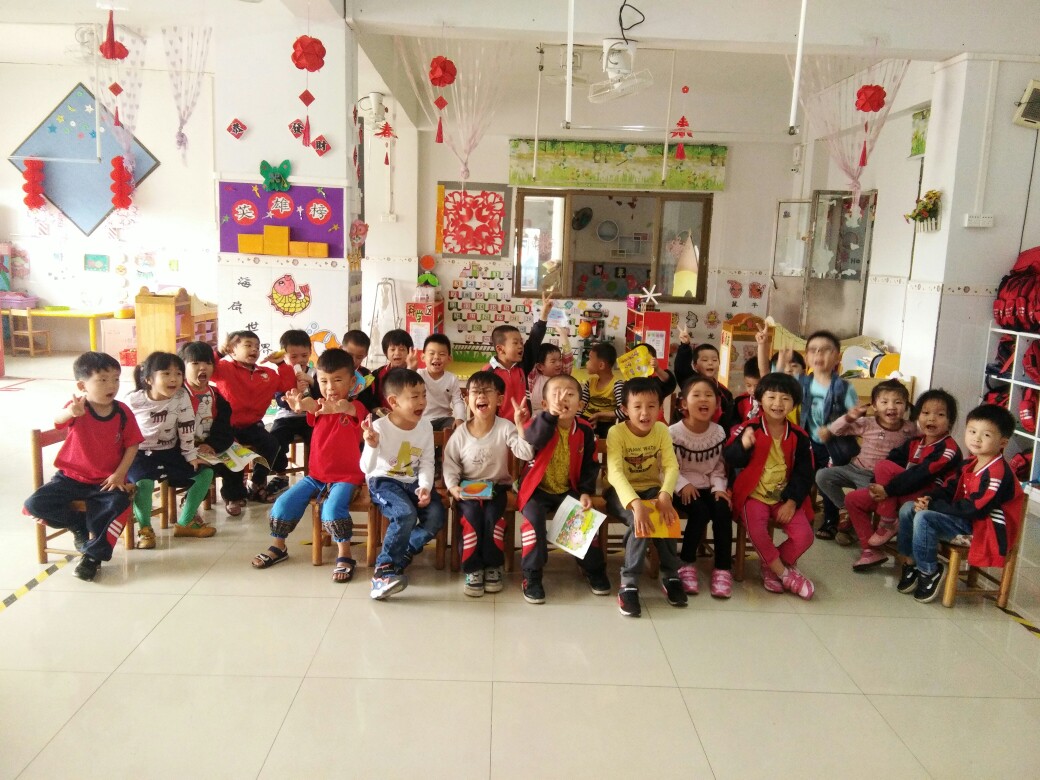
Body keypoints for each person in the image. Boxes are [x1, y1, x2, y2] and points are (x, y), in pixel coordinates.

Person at [23, 351, 143, 581]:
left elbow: (132, 445)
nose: (112, 385)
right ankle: (78, 525)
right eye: (103, 380)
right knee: (34, 505)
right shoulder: (78, 407)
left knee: (119, 505)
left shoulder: (122, 412)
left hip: (106, 481)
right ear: (82, 385)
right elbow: (58, 421)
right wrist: (71, 411)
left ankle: (92, 557)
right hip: (70, 478)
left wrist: (119, 474)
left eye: (116, 379)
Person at [251, 348, 366, 583]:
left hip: (346, 478)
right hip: (316, 477)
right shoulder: (319, 406)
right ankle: (279, 546)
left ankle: (345, 554)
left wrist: (341, 407)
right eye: (324, 381)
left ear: (352, 382)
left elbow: (350, 410)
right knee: (283, 503)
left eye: (337, 380)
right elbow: (309, 405)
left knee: (332, 510)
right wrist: (297, 404)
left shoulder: (357, 408)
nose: (330, 387)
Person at [895, 404, 1023, 603]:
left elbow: (976, 509)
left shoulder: (997, 472)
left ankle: (929, 571)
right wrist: (929, 498)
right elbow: (949, 489)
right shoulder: (969, 463)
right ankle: (911, 563)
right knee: (908, 508)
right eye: (972, 431)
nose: (976, 439)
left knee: (924, 518)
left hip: (982, 529)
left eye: (986, 435)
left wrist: (932, 507)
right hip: (965, 520)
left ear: (1003, 442)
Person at [516, 373, 608, 603]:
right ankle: (532, 574)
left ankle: (593, 569)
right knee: (533, 523)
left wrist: (585, 491)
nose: (562, 399)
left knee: (583, 520)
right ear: (544, 403)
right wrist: (550, 416)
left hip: (569, 488)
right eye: (556, 394)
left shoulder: (585, 430)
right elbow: (534, 439)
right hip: (536, 490)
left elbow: (590, 465)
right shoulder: (540, 422)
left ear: (580, 404)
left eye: (570, 394)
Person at [724, 372, 816, 600]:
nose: (777, 403)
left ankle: (771, 567)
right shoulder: (749, 428)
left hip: (784, 497)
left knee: (805, 536)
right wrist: (744, 445)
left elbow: (805, 473)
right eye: (771, 397)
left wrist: (792, 501)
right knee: (757, 531)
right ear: (760, 399)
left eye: (785, 398)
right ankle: (784, 574)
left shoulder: (799, 435)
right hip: (752, 496)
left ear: (794, 403)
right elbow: (731, 458)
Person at [443, 371, 534, 597]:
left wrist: (520, 426)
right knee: (472, 518)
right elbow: (450, 463)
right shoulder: (460, 433)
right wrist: (453, 487)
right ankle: (473, 569)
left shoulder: (505, 427)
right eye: (475, 392)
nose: (481, 396)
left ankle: (493, 566)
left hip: (497, 488)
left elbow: (525, 453)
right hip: (468, 489)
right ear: (467, 399)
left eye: (487, 392)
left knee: (494, 519)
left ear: (500, 399)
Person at [360, 368, 446, 600]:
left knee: (436, 516)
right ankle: (383, 572)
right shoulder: (379, 428)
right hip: (383, 481)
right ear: (394, 402)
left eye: (424, 395)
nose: (422, 402)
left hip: (413, 481)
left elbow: (427, 462)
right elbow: (366, 468)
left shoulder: (425, 426)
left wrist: (425, 486)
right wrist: (371, 445)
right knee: (405, 514)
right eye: (414, 397)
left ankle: (403, 551)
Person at [607, 377, 684, 617]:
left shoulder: (661, 430)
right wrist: (636, 504)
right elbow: (615, 473)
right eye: (637, 406)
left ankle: (671, 575)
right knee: (639, 522)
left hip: (651, 488)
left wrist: (665, 494)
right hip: (621, 492)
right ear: (625, 409)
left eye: (651, 406)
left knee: (667, 517)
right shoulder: (616, 432)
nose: (645, 413)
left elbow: (671, 466)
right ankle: (628, 583)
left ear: (660, 407)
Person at [846, 389, 961, 551]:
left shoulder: (948, 448)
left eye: (940, 415)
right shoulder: (915, 441)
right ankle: (870, 551)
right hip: (900, 492)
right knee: (853, 499)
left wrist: (887, 490)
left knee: (883, 466)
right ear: (918, 416)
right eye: (925, 413)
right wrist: (878, 486)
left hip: (927, 498)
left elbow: (921, 475)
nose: (931, 418)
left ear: (950, 421)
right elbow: (894, 459)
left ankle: (887, 522)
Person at [815, 379, 917, 560]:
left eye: (898, 402)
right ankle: (844, 509)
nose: (891, 407)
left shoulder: (909, 429)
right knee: (823, 476)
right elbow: (836, 430)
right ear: (875, 406)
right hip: (855, 468)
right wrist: (850, 417)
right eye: (884, 402)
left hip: (876, 479)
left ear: (906, 406)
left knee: (864, 503)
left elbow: (924, 441)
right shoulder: (868, 422)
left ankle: (860, 533)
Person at [125, 351, 215, 548]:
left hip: (170, 451)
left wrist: (190, 455)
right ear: (149, 379)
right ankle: (145, 530)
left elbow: (186, 426)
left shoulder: (181, 396)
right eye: (166, 373)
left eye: (178, 374)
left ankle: (185, 523)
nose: (174, 379)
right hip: (139, 454)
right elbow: (120, 431)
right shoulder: (133, 400)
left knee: (205, 473)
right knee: (144, 483)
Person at [780, 330, 859, 540]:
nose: (819, 355)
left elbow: (855, 420)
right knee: (801, 475)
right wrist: (778, 360)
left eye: (825, 350)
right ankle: (803, 513)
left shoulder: (844, 387)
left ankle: (832, 520)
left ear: (837, 357)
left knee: (825, 481)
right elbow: (774, 384)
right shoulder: (802, 383)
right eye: (813, 350)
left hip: (834, 446)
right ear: (806, 357)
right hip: (808, 442)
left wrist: (833, 428)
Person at [210, 330, 296, 508]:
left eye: (257, 346)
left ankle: (256, 481)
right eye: (248, 345)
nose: (254, 349)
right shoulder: (224, 368)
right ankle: (233, 496)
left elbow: (287, 385)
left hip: (252, 425)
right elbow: (207, 368)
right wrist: (220, 352)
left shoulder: (267, 373)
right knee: (234, 454)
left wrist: (281, 364)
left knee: (272, 444)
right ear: (232, 350)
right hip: (227, 425)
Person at [670, 375, 734, 598]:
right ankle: (686, 563)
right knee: (700, 511)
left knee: (722, 510)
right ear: (683, 403)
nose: (703, 399)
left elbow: (718, 467)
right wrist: (682, 485)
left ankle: (723, 568)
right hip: (680, 486)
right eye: (696, 395)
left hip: (708, 485)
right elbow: (667, 467)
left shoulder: (719, 432)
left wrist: (719, 488)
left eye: (709, 395)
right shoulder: (673, 433)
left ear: (717, 404)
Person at [179, 341, 237, 507]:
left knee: (234, 462)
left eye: (208, 363)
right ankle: (191, 503)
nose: (203, 367)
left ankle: (232, 496)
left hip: (209, 445)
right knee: (202, 470)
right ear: (182, 367)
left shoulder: (216, 395)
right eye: (195, 363)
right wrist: (192, 448)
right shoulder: (177, 395)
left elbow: (223, 426)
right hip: (184, 448)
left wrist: (211, 444)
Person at [484, 288, 552, 417]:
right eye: (515, 343)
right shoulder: (488, 373)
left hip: (523, 423)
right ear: (500, 349)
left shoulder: (522, 366)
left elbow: (534, 340)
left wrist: (543, 316)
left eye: (521, 342)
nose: (521, 346)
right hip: (500, 425)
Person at [268, 329, 316, 494]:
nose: (300, 360)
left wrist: (311, 385)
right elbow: (279, 399)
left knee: (318, 438)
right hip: (286, 418)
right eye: (294, 356)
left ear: (310, 352)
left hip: (309, 417)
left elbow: (321, 396)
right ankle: (281, 474)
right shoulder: (282, 374)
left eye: (304, 355)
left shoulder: (315, 374)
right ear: (285, 355)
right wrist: (293, 398)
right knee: (275, 439)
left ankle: (315, 474)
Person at [674, 332, 735, 430]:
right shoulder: (689, 382)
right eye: (705, 360)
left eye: (714, 360)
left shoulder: (725, 393)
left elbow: (729, 419)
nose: (710, 363)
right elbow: (681, 367)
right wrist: (685, 345)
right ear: (695, 365)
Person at [418, 333, 466, 431]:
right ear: (423, 357)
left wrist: (460, 418)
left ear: (449, 359)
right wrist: (410, 368)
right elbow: (406, 388)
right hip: (421, 419)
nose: (436, 357)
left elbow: (458, 401)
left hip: (444, 419)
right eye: (432, 353)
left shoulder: (452, 379)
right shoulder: (418, 375)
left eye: (442, 354)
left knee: (454, 427)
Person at [580, 341, 624, 438]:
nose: (587, 363)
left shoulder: (617, 385)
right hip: (586, 419)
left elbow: (623, 412)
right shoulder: (590, 382)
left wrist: (599, 415)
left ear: (601, 366)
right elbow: (581, 405)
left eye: (589, 359)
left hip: (605, 424)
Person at [370, 329, 419, 410]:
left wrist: (411, 371)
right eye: (392, 349)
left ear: (409, 352)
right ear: (385, 352)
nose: (397, 353)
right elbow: (373, 400)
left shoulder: (417, 373)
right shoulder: (377, 374)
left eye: (402, 349)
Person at [529, 342, 565, 413]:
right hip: (534, 413)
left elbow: (568, 359)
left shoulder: (563, 377)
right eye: (553, 361)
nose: (558, 364)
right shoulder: (534, 378)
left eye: (560, 360)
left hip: (554, 413)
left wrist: (564, 337)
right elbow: (530, 357)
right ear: (540, 366)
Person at [733, 356, 760, 423]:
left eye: (757, 386)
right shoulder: (740, 401)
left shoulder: (769, 402)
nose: (753, 390)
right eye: (749, 386)